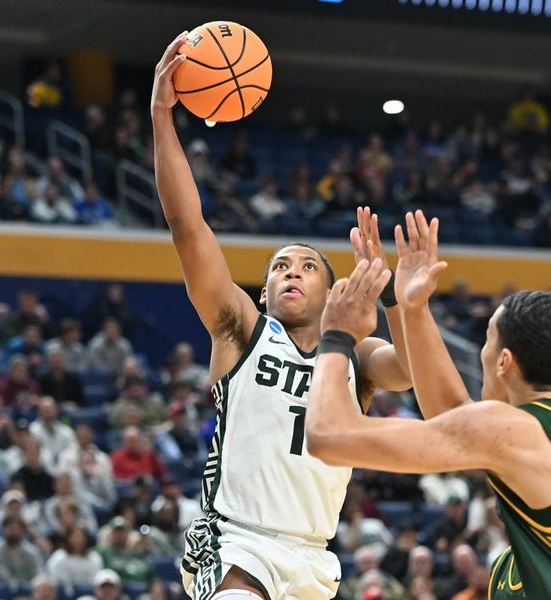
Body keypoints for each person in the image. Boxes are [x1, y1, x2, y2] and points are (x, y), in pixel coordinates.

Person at [306, 210, 551, 599]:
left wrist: (337, 334)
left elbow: (328, 436)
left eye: (488, 341)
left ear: (504, 361)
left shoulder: (519, 430)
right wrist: (411, 308)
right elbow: (455, 418)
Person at [151, 32, 411, 600]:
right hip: (234, 544)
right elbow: (188, 230)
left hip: (313, 555)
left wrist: (396, 298)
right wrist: (162, 118)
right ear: (264, 293)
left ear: (331, 287)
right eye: (279, 267)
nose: (291, 272)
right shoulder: (240, 330)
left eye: (307, 266)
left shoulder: (354, 357)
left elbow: (410, 370)